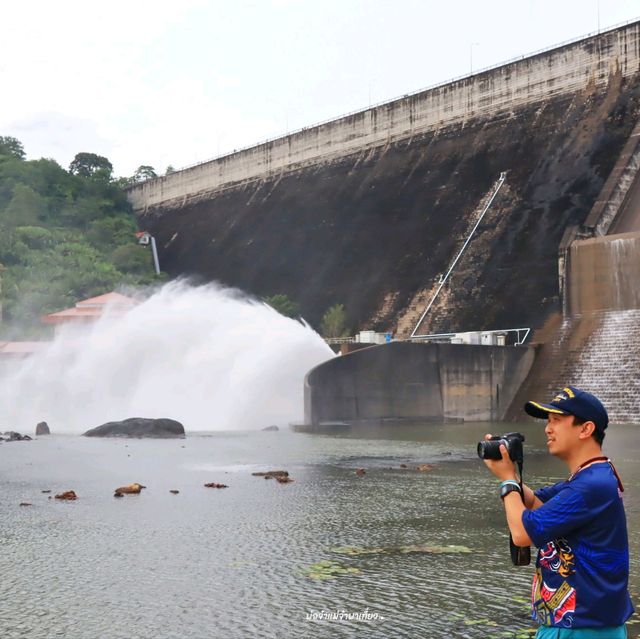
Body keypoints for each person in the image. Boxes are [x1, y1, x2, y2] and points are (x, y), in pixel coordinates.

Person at [483, 385, 634, 638]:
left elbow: (522, 534)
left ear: (586, 429)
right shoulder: (591, 476)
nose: (547, 428)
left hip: (580, 627)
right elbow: (533, 503)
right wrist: (507, 466)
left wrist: (507, 480)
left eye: (556, 420)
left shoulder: (590, 485)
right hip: (585, 623)